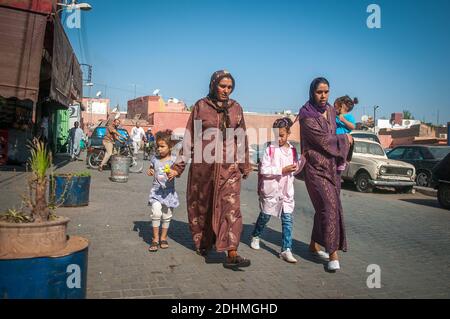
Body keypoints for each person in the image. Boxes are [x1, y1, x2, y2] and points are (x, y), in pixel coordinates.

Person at [172, 70, 252, 269]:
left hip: (229, 168)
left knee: (231, 208)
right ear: (213, 85)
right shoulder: (201, 106)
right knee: (203, 206)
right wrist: (178, 166)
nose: (226, 90)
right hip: (203, 168)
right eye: (222, 86)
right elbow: (190, 137)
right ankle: (204, 242)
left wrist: (244, 164)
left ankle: (232, 251)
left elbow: (241, 137)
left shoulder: (236, 109)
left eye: (229, 87)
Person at [298, 77, 353, 271]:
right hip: (315, 169)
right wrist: (345, 139)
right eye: (319, 92)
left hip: (332, 168)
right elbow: (323, 140)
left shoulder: (330, 110)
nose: (323, 96)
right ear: (312, 92)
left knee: (327, 206)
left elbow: (334, 134)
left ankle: (314, 243)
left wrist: (343, 142)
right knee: (329, 206)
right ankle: (332, 253)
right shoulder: (306, 115)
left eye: (326, 91)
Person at [250, 118, 305, 263]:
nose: (279, 139)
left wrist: (298, 165)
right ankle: (256, 235)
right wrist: (282, 170)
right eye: (276, 136)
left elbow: (296, 168)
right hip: (271, 191)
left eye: (282, 135)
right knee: (265, 216)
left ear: (288, 133)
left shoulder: (293, 150)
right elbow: (264, 169)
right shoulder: (270, 150)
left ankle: (286, 249)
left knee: (287, 220)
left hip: (286, 192)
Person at [146, 130, 180, 252]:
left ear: (170, 146)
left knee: (166, 216)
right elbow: (150, 168)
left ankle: (163, 238)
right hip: (156, 192)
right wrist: (150, 171)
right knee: (156, 213)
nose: (159, 149)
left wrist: (174, 172)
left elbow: (179, 171)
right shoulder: (154, 159)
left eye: (162, 146)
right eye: (158, 146)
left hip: (169, 193)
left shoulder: (174, 160)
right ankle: (155, 239)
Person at [334, 96, 358, 172]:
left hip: (344, 138)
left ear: (343, 106)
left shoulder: (349, 116)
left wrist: (343, 120)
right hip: (336, 137)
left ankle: (342, 162)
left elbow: (353, 126)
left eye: (336, 106)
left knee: (342, 150)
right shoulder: (336, 116)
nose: (335, 108)